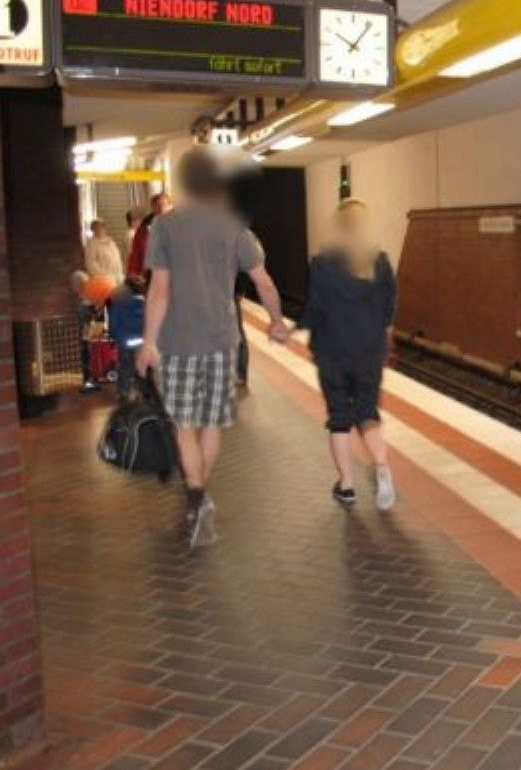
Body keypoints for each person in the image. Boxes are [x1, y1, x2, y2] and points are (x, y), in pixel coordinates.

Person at [135, 150, 289, 546]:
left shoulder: (164, 227)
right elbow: (264, 282)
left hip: (178, 342)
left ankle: (196, 494)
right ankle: (201, 493)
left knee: (184, 424)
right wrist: (276, 322)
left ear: (183, 183)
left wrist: (147, 343)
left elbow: (159, 290)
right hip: (222, 342)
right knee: (212, 423)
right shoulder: (235, 227)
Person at [298, 199, 398, 511]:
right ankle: (382, 466)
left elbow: (316, 308)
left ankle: (347, 485)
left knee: (339, 418)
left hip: (333, 354)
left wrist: (293, 328)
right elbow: (389, 308)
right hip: (369, 353)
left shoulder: (323, 264)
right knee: (367, 413)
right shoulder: (381, 263)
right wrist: (384, 338)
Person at [109, 277, 146, 398]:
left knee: (125, 368)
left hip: (125, 342)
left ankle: (123, 393)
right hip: (143, 342)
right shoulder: (147, 303)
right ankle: (145, 392)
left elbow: (113, 323)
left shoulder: (120, 303)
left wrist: (114, 337)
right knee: (143, 367)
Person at [127, 191, 173, 283]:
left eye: (164, 205)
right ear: (153, 208)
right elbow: (136, 255)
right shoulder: (143, 230)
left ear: (171, 206)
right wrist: (132, 273)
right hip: (151, 277)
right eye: (157, 206)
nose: (161, 208)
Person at [84, 219, 124, 287]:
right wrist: (105, 276)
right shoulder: (91, 244)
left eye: (102, 227)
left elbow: (117, 258)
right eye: (97, 227)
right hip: (104, 281)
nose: (100, 229)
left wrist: (120, 273)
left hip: (117, 277)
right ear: (93, 229)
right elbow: (91, 264)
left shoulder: (110, 241)